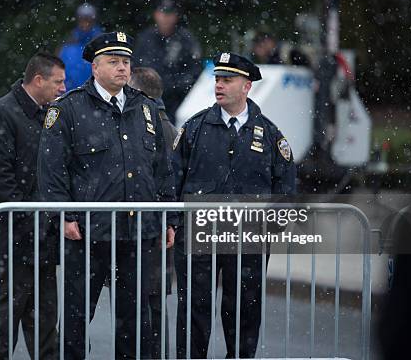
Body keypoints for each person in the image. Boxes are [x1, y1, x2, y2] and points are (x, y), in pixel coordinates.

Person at [38, 32, 176, 359]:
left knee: (135, 322)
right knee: (75, 319)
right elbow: (52, 169)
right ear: (95, 67)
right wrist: (64, 216)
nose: (122, 69)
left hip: (135, 233)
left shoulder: (145, 109)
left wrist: (169, 217)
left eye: (126, 62)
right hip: (88, 234)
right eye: (113, 62)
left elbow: (162, 168)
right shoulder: (69, 109)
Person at [173, 52, 296, 358]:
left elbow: (285, 187)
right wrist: (173, 222)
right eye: (217, 79)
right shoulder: (195, 127)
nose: (219, 85)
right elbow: (172, 180)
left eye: (228, 80)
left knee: (243, 308)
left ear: (246, 86)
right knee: (194, 307)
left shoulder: (269, 134)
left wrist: (270, 230)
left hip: (247, 237)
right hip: (199, 233)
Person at [0, 52, 66, 360]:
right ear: (39, 80)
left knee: (44, 321)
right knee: (2, 320)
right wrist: (31, 219)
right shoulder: (2, 113)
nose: (63, 88)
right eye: (58, 82)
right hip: (10, 237)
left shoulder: (50, 113)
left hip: (41, 238)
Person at [129, 67, 176, 359]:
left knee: (144, 311)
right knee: (155, 310)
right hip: (159, 235)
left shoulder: (148, 127)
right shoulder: (171, 129)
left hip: (146, 234)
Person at [133, 0, 201, 124]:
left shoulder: (185, 40)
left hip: (176, 103)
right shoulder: (145, 38)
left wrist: (175, 86)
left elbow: (195, 71)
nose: (165, 18)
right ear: (156, 15)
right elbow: (134, 67)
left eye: (169, 14)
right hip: (146, 100)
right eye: (163, 13)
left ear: (175, 16)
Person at [58, 3, 103, 91]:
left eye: (88, 19)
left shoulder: (102, 44)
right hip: (70, 94)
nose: (85, 23)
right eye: (83, 19)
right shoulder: (68, 45)